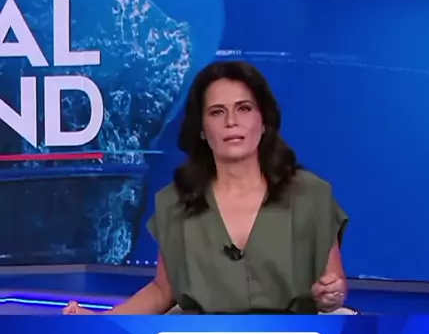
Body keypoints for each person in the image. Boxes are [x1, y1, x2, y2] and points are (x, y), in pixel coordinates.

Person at [64, 61, 349, 315]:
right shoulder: (177, 203)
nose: (231, 122)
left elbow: (332, 285)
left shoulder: (310, 194)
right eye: (217, 112)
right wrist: (103, 322)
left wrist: (330, 296)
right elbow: (162, 291)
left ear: (263, 121)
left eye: (244, 109)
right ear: (201, 129)